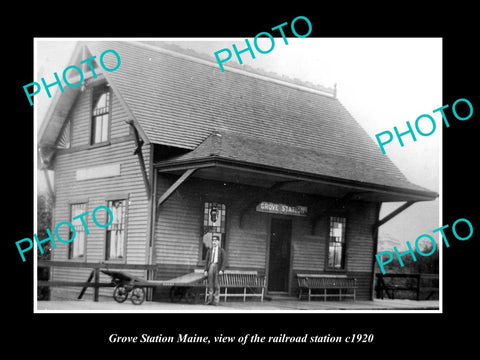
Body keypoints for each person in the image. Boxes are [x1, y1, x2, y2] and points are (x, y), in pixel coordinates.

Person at [204, 235, 226, 305]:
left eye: (215, 241)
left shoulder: (221, 250)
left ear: (218, 242)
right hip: (210, 266)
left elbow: (224, 261)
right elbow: (206, 261)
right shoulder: (209, 250)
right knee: (210, 284)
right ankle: (209, 300)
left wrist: (222, 270)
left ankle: (216, 301)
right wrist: (205, 270)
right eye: (213, 241)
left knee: (216, 285)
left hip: (217, 267)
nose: (214, 242)